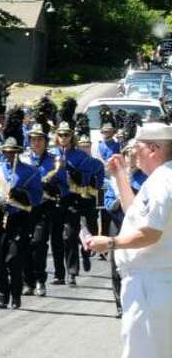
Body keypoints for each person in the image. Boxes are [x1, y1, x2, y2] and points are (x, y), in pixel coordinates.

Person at [85, 121, 172, 358]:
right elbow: (137, 213)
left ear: (154, 148)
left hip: (152, 281)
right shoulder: (159, 180)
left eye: (137, 147)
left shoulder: (164, 183)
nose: (132, 152)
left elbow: (150, 233)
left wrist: (112, 241)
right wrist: (120, 175)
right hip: (152, 280)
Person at [0, 114, 42, 309]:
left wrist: (23, 195)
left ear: (18, 152)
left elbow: (37, 196)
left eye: (13, 152)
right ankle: (1, 295)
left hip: (19, 219)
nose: (10, 155)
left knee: (14, 258)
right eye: (7, 152)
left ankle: (16, 294)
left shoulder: (31, 172)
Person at [20, 123, 66, 296]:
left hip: (44, 207)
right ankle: (27, 281)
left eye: (40, 139)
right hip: (24, 208)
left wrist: (57, 190)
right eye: (33, 139)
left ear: (46, 142)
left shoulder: (54, 160)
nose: (37, 142)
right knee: (24, 243)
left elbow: (65, 185)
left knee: (38, 243)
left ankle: (40, 280)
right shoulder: (22, 159)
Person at [57, 121, 103, 286]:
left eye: (66, 135)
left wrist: (70, 170)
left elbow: (95, 172)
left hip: (78, 199)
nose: (63, 138)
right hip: (60, 200)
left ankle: (80, 260)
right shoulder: (52, 154)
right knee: (65, 236)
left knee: (78, 232)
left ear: (71, 137)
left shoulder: (80, 156)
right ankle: (67, 272)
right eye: (60, 135)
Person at [104, 140, 146, 317]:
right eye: (128, 155)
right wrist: (119, 199)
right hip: (118, 222)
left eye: (134, 154)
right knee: (116, 264)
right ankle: (120, 304)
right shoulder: (114, 179)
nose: (132, 158)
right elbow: (107, 203)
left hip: (139, 225)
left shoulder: (146, 177)